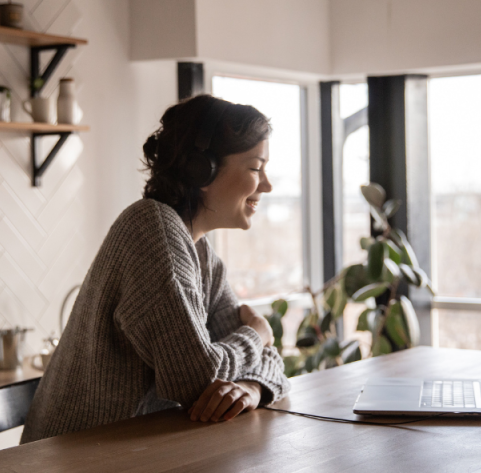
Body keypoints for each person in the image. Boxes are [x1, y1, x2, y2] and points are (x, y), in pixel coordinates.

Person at [20, 94, 290, 444]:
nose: (267, 185)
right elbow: (198, 380)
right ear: (201, 169)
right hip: (72, 462)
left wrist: (252, 387)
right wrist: (258, 334)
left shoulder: (202, 254)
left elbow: (268, 364)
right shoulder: (152, 231)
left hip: (129, 454)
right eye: (255, 168)